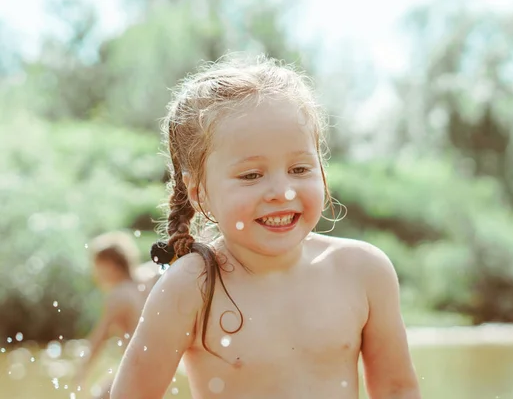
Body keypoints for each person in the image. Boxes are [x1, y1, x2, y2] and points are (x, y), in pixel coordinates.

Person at [111, 54, 421, 399]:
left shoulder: (363, 272)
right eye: (251, 175)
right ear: (200, 194)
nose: (281, 192)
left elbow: (397, 389)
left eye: (300, 169)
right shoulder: (191, 287)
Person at [74, 231, 155, 399]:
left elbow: (100, 337)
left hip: (135, 368)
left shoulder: (118, 295)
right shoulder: (143, 281)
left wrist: (82, 370)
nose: (95, 273)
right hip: (155, 365)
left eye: (97, 265)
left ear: (110, 265)